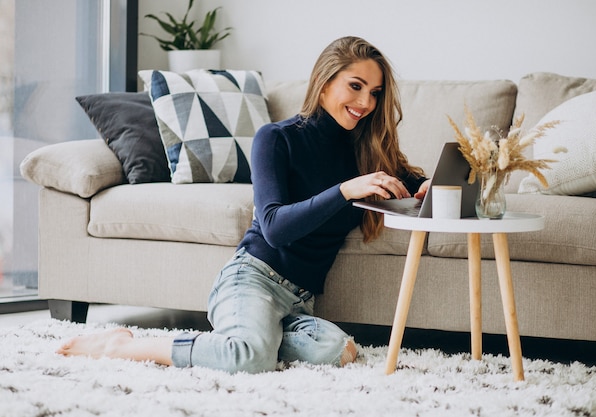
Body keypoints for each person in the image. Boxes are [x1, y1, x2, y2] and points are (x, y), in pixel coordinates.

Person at [56, 36, 431, 373]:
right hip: (252, 278)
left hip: (300, 302)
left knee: (339, 351)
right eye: (356, 86)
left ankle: (257, 336)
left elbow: (415, 183)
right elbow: (275, 226)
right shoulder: (277, 139)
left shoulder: (366, 153)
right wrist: (344, 191)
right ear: (324, 83)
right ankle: (123, 345)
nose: (366, 102)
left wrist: (428, 186)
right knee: (248, 358)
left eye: (376, 92)